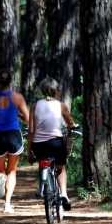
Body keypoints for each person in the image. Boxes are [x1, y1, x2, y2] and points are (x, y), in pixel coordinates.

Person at [26, 77, 78, 210]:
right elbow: (70, 123)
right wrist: (73, 125)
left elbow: (31, 130)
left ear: (42, 90)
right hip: (56, 143)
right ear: (56, 90)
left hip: (39, 145)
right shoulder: (61, 106)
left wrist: (29, 152)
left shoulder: (35, 106)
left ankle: (42, 186)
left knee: (42, 160)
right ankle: (64, 194)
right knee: (60, 168)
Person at [0, 70, 29, 213]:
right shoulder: (17, 97)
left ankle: (1, 178)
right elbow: (27, 119)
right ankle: (7, 204)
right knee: (12, 171)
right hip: (14, 135)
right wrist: (19, 115)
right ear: (10, 81)